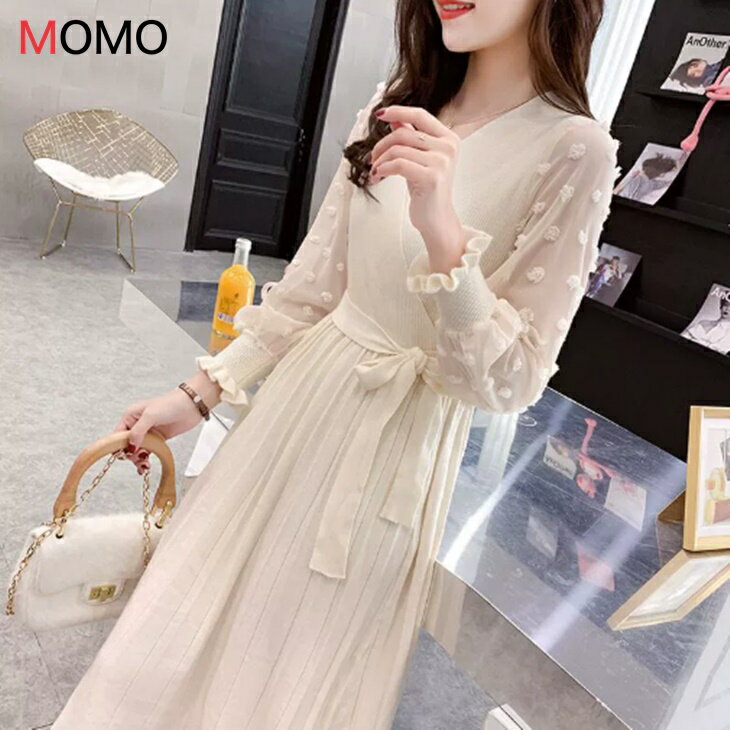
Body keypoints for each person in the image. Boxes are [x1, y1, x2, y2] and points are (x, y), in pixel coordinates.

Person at [51, 0, 617, 727]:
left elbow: (510, 382)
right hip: (294, 410)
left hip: (393, 454)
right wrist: (198, 393)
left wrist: (443, 233)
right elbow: (312, 290)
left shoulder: (576, 149)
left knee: (286, 677)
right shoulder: (394, 105)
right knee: (177, 621)